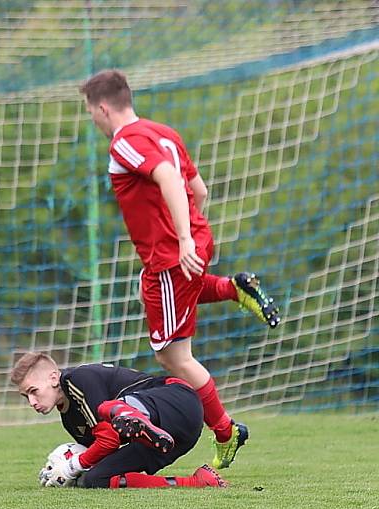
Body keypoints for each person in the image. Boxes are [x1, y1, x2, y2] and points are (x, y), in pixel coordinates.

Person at [79, 69, 280, 469]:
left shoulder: (124, 143)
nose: (93, 120)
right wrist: (192, 234)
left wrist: (182, 241)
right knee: (161, 296)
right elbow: (199, 189)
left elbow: (168, 176)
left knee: (174, 357)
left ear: (103, 108)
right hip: (187, 247)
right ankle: (231, 288)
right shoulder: (164, 132)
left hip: (170, 257)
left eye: (90, 112)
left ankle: (226, 432)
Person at [11, 351, 228, 489]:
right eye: (25, 396)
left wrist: (71, 465)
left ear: (53, 378)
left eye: (33, 391)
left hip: (178, 400)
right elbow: (101, 452)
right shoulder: (69, 421)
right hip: (180, 437)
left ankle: (132, 414)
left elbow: (109, 440)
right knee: (95, 479)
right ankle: (197, 482)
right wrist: (64, 470)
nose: (31, 401)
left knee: (107, 409)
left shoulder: (77, 379)